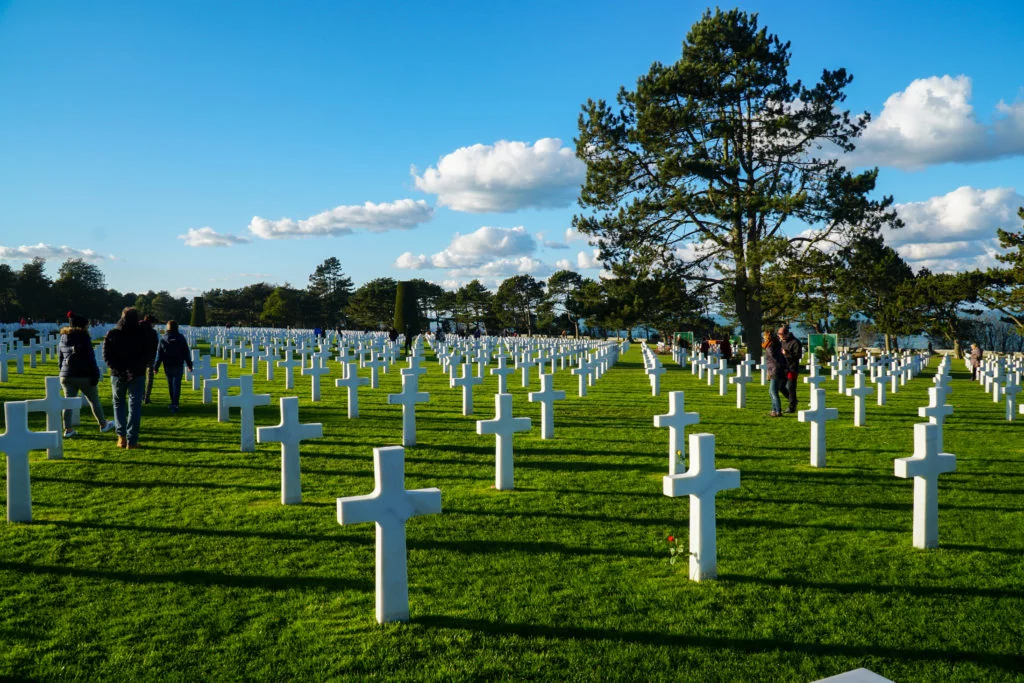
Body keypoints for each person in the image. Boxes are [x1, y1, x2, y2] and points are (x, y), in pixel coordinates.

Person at [57, 313, 115, 437]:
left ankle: (68, 429)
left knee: (68, 402)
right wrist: (95, 373)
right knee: (94, 399)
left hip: (66, 375)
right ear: (82, 326)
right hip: (83, 375)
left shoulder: (63, 337)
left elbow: (60, 358)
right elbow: (90, 357)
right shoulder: (83, 336)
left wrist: (62, 372)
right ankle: (103, 424)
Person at [103, 307, 149, 448]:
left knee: (118, 404)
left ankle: (121, 438)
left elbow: (107, 356)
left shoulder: (113, 333)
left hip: (118, 375)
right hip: (137, 374)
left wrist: (122, 371)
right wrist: (132, 371)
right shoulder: (142, 334)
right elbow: (146, 355)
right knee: (134, 407)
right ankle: (132, 440)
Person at [153, 320, 193, 413]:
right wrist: (189, 365)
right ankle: (175, 403)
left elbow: (159, 354)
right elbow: (186, 352)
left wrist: (156, 367)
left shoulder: (163, 338)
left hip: (168, 365)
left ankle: (173, 403)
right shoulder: (181, 338)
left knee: (171, 385)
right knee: (177, 385)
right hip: (178, 365)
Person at [777, 325, 803, 413]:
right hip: (783, 368)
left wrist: (786, 353)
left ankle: (792, 407)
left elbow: (798, 356)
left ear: (785, 334)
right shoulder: (781, 342)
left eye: (780, 334)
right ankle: (793, 400)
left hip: (792, 368)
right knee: (780, 386)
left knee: (791, 387)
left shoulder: (795, 342)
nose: (778, 335)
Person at [762, 329, 787, 417]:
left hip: (775, 370)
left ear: (767, 337)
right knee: (772, 391)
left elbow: (772, 359)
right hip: (777, 369)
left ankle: (778, 411)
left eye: (764, 337)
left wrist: (770, 372)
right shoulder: (776, 345)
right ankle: (774, 410)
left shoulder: (770, 347)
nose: (763, 339)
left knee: (773, 391)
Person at [140, 314, 160, 404]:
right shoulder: (152, 333)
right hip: (150, 358)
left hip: (139, 358)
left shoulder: (138, 330)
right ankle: (147, 397)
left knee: (141, 378)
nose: (154, 325)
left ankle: (142, 396)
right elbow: (155, 346)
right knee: (150, 379)